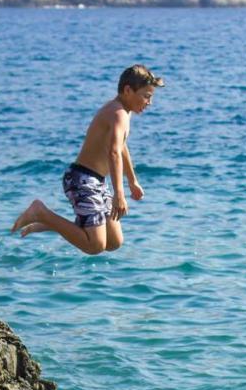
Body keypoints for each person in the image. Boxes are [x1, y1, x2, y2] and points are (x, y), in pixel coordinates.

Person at [11, 64, 164, 254]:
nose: (149, 102)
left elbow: (122, 146)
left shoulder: (124, 112)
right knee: (95, 245)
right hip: (81, 180)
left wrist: (132, 181)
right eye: (146, 96)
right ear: (127, 90)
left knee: (114, 241)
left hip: (96, 181)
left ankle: (51, 223)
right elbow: (113, 153)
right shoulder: (118, 114)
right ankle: (41, 213)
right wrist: (119, 193)